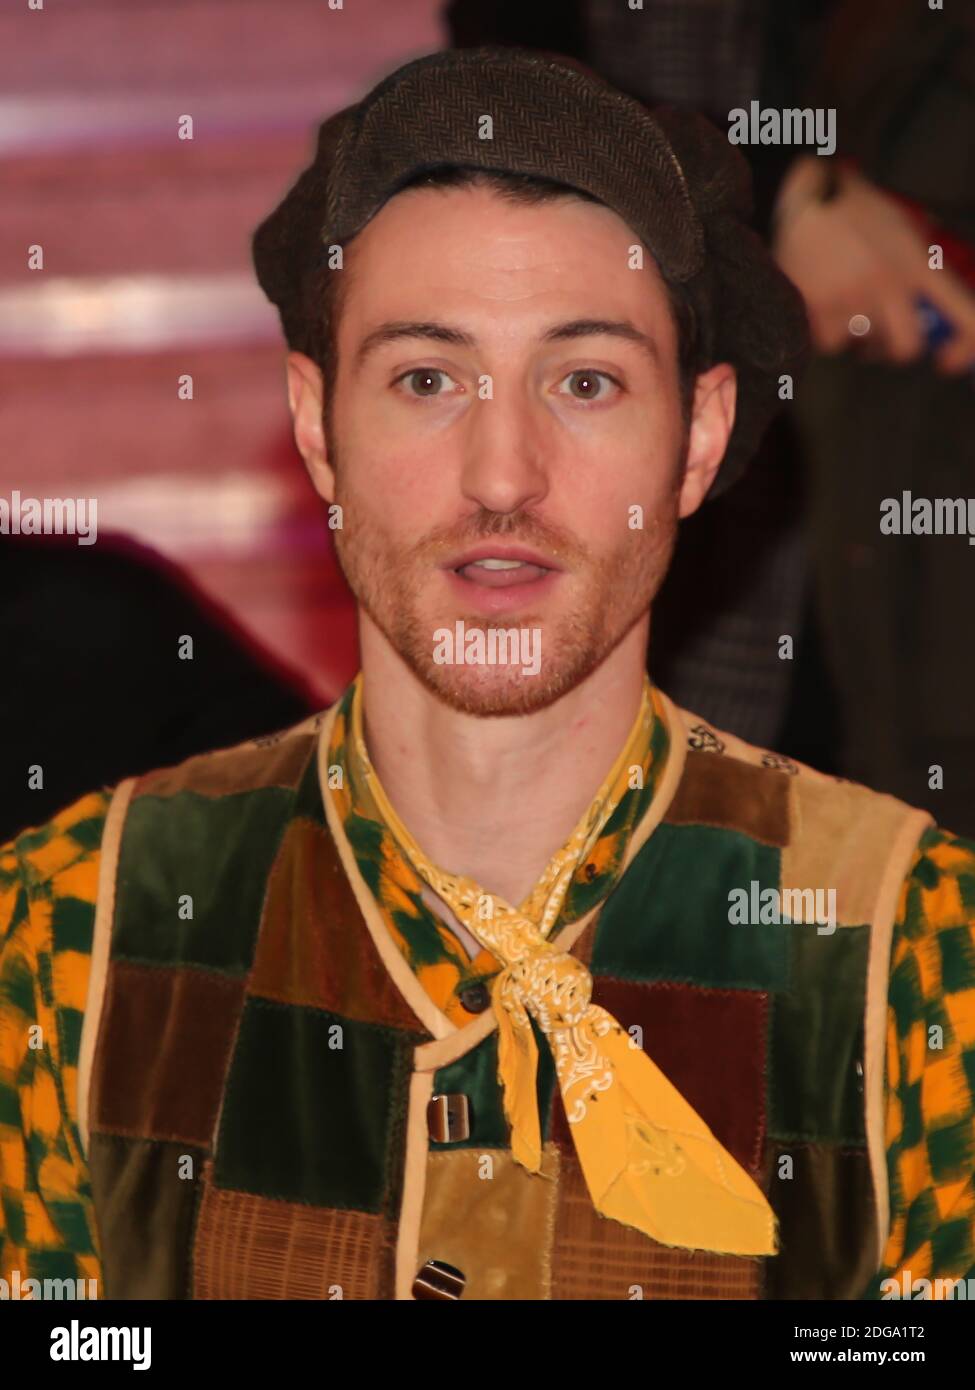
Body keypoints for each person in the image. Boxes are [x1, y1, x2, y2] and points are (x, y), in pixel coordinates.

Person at [1, 46, 972, 1302]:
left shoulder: (918, 949)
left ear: (700, 437)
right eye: (426, 378)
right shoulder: (66, 932)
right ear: (317, 429)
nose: (503, 473)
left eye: (584, 381)